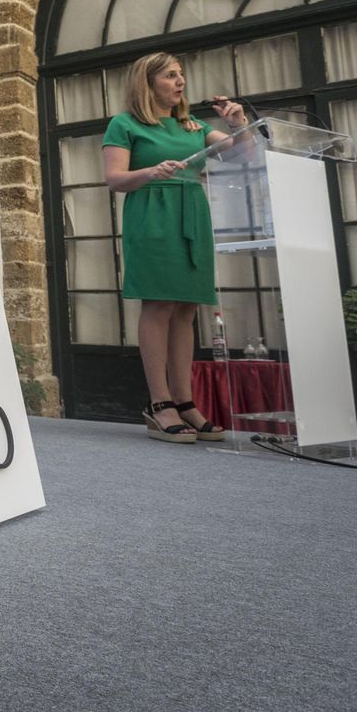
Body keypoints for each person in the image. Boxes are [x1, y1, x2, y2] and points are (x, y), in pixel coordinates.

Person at [101, 52, 247, 443]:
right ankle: (159, 403)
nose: (180, 81)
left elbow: (243, 152)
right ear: (147, 83)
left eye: (181, 74)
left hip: (192, 215)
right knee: (159, 304)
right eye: (170, 75)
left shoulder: (193, 126)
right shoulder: (125, 124)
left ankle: (186, 402)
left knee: (186, 308)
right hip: (152, 214)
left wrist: (239, 125)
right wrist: (150, 171)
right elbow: (114, 179)